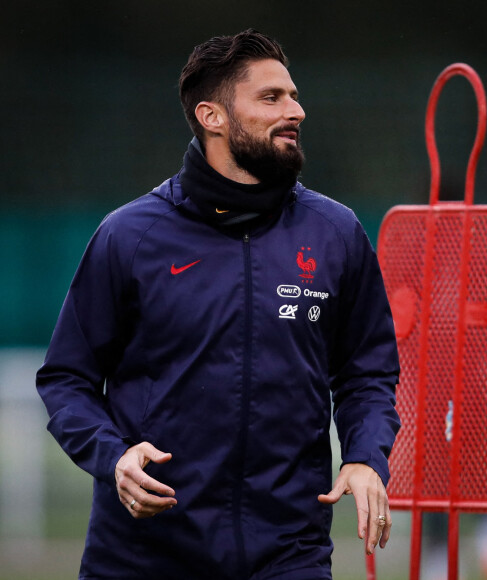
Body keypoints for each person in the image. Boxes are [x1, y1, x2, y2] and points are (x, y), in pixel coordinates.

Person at [36, 29, 400, 580]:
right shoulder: (129, 236)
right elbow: (66, 379)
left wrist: (364, 455)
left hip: (289, 553)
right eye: (271, 97)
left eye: (294, 95)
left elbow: (366, 372)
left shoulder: (336, 233)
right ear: (213, 117)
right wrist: (113, 456)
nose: (296, 110)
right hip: (142, 555)